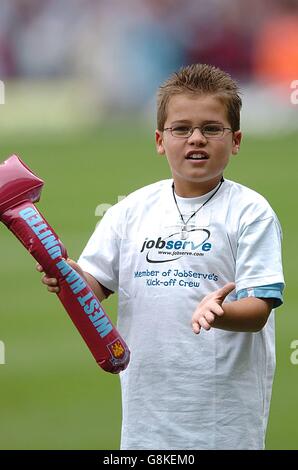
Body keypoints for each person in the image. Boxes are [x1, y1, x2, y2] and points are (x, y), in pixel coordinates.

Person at [37, 63, 284, 450]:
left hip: (224, 425)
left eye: (211, 128)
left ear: (235, 140)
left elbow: (258, 310)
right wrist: (67, 276)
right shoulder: (129, 211)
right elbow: (94, 288)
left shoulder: (251, 213)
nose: (196, 139)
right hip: (146, 423)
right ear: (159, 139)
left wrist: (220, 312)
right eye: (181, 129)